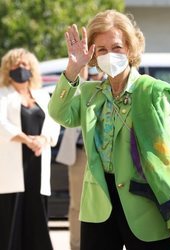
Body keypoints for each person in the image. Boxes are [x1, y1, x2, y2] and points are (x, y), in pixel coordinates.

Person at [48, 9, 170, 250]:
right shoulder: (89, 94)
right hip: (99, 205)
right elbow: (58, 113)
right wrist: (73, 69)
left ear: (130, 48)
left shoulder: (152, 92)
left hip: (144, 205)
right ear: (93, 54)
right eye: (102, 50)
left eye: (116, 47)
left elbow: (168, 156)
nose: (109, 55)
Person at [0, 48, 60, 250]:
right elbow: (1, 124)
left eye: (25, 65)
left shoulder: (43, 96)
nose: (21, 68)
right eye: (16, 65)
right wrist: (27, 140)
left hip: (37, 163)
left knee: (37, 219)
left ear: (32, 69)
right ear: (8, 69)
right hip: (12, 169)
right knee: (11, 222)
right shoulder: (3, 95)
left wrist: (42, 139)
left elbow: (54, 122)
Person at [56, 65, 88, 250]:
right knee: (77, 204)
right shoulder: (76, 80)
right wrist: (79, 75)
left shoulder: (113, 79)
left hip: (105, 153)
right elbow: (65, 105)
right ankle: (76, 246)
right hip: (79, 153)